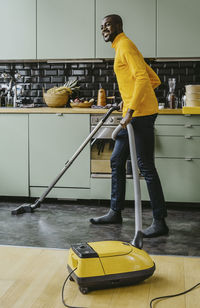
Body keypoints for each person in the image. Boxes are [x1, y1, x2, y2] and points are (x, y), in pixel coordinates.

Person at [90, 14, 168, 238]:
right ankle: (115, 211)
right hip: (133, 114)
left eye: (108, 25)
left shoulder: (124, 45)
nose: (104, 28)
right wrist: (128, 101)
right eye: (101, 26)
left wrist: (131, 109)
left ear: (118, 26)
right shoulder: (121, 47)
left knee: (145, 166)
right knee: (116, 160)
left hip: (140, 116)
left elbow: (143, 79)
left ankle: (159, 221)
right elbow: (154, 79)